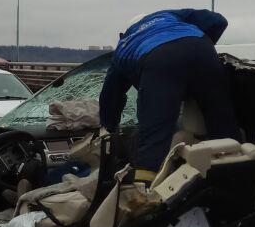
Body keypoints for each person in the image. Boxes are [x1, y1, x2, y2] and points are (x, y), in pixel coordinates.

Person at [98, 9, 241, 186]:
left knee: (154, 139)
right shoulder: (167, 15)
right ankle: (238, 179)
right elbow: (217, 20)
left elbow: (111, 96)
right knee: (223, 122)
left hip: (160, 60)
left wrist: (108, 128)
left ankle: (144, 197)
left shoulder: (125, 45)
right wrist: (199, 49)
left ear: (125, 32)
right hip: (201, 48)